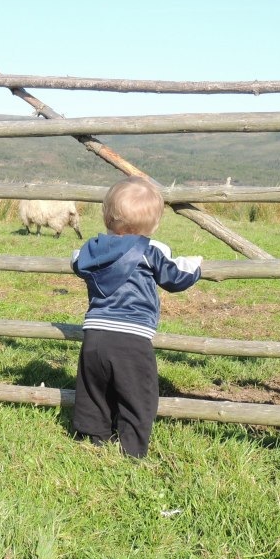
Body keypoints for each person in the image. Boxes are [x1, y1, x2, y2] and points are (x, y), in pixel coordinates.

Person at [70, 177, 202, 458]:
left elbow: (76, 261)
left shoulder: (92, 248)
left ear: (107, 216)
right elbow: (175, 278)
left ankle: (95, 439)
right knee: (138, 396)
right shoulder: (150, 251)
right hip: (132, 336)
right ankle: (131, 450)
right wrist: (196, 265)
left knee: (94, 391)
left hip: (95, 335)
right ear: (153, 225)